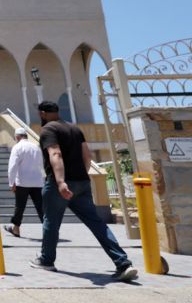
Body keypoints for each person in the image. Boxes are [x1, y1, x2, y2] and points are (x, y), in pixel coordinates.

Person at [30, 101, 138, 281]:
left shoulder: (48, 130)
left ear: (42, 113)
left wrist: (61, 181)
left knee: (51, 222)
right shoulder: (74, 129)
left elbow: (55, 154)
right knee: (96, 223)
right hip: (82, 183)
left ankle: (46, 260)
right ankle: (123, 263)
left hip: (59, 185)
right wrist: (82, 176)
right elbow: (87, 156)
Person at [3, 127, 44, 237]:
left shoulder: (17, 147)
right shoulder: (36, 147)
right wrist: (43, 179)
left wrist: (11, 183)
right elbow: (41, 165)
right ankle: (49, 229)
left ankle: (16, 229)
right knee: (41, 207)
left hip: (22, 182)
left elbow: (12, 166)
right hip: (37, 182)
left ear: (17, 137)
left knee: (20, 207)